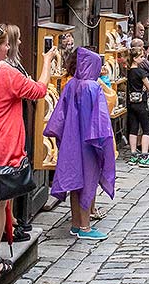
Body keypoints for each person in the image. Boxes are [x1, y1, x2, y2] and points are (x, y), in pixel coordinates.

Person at [0, 25, 55, 273]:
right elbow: (39, 91)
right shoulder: (6, 74)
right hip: (3, 144)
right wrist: (47, 62)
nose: (8, 48)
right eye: (5, 44)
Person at [44, 48, 115, 241]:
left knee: (75, 183)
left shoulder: (71, 85)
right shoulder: (92, 87)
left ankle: (75, 224)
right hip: (88, 143)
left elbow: (59, 116)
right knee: (88, 182)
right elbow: (101, 121)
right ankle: (85, 226)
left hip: (71, 142)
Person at [4, 25, 32, 242]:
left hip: (17, 120)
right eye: (17, 39)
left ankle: (11, 220)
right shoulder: (6, 68)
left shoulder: (14, 65)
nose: (21, 43)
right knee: (8, 177)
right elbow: (35, 89)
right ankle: (8, 225)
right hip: (9, 125)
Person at [126, 46, 149, 168]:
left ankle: (133, 155)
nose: (143, 59)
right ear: (135, 58)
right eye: (141, 57)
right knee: (146, 128)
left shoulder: (129, 71)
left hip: (131, 103)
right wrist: (144, 88)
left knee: (133, 128)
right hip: (141, 102)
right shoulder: (140, 72)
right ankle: (144, 155)